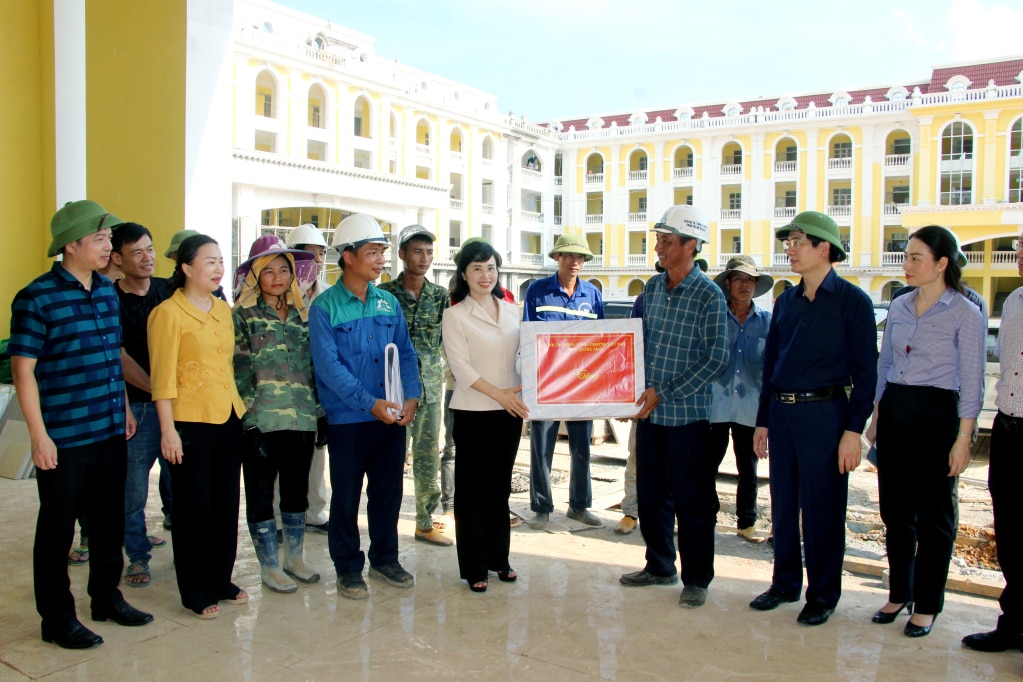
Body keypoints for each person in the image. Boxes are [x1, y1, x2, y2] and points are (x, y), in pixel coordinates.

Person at [9, 200, 152, 649]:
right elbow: (23, 371)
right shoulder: (37, 297)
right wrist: (38, 436)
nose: (109, 246)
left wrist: (125, 408)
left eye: (109, 239)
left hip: (110, 427)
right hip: (64, 437)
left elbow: (113, 355)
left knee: (108, 520)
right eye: (100, 239)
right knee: (58, 529)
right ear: (71, 246)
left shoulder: (106, 293)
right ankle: (56, 618)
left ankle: (106, 597)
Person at [750, 211, 877, 626]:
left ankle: (822, 594)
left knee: (822, 508)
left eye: (798, 241)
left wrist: (853, 430)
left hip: (826, 415)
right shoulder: (785, 301)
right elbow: (772, 366)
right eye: (787, 242)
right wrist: (763, 420)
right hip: (784, 416)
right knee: (784, 503)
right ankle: (785, 582)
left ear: (825, 248)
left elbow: (866, 372)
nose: (790, 249)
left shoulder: (853, 302)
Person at [864, 226, 985, 637]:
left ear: (941, 264)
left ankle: (928, 603)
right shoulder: (898, 305)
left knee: (935, 517)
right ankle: (900, 592)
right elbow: (884, 365)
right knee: (894, 512)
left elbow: (972, 380)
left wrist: (963, 439)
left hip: (938, 415)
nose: (908, 264)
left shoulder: (965, 312)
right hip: (897, 409)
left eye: (917, 257)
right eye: (907, 255)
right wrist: (877, 415)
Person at [619, 206, 729, 610]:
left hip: (689, 420)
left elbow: (717, 359)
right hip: (650, 417)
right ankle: (660, 565)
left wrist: (663, 391)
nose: (659, 247)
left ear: (691, 245)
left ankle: (697, 578)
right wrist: (624, 392)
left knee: (693, 502)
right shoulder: (650, 289)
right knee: (651, 497)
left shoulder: (709, 295)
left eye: (667, 240)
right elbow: (636, 347)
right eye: (658, 239)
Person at [309, 214, 422, 599]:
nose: (380, 261)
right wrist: (368, 402)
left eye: (382, 253)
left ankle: (385, 559)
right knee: (346, 496)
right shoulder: (325, 308)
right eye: (372, 253)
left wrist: (412, 397)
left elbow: (406, 354)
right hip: (349, 419)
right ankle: (347, 567)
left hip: (390, 417)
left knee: (388, 492)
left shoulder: (388, 302)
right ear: (348, 257)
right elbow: (328, 368)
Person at [148, 234, 247, 619]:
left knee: (225, 503)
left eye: (221, 260)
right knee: (193, 509)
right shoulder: (167, 314)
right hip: (189, 421)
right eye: (209, 261)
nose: (218, 267)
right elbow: (162, 378)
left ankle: (221, 579)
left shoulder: (223, 309)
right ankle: (196, 589)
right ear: (186, 268)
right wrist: (167, 430)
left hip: (227, 416)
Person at [234, 235, 321, 594]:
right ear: (255, 276)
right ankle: (269, 566)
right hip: (262, 421)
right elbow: (238, 370)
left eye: (283, 269)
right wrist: (248, 419)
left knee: (296, 492)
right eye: (267, 271)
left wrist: (321, 413)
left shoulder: (304, 315)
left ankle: (294, 558)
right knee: (259, 492)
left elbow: (314, 368)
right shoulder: (242, 317)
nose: (277, 277)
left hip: (301, 420)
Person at [442, 239, 528, 592]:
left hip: (510, 413)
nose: (485, 274)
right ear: (464, 273)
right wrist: (502, 396)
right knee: (472, 491)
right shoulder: (455, 314)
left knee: (499, 489)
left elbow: (524, 357)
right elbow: (461, 369)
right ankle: (475, 567)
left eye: (490, 267)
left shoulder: (513, 310)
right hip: (473, 411)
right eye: (476, 267)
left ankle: (499, 559)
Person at [963, 231, 1023, 653]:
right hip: (1008, 429)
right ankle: (1014, 624)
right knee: (1011, 532)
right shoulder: (1015, 302)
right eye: (1021, 251)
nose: (1020, 258)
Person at [523, 234, 605, 530]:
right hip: (547, 382)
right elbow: (528, 336)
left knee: (581, 447)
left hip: (582, 385)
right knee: (542, 446)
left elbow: (602, 342)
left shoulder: (593, 294)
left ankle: (579, 506)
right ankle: (542, 507)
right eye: (568, 256)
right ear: (557, 257)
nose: (574, 262)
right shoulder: (537, 291)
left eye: (580, 257)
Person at [380, 225, 452, 546]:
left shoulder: (440, 296)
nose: (424, 258)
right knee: (390, 461)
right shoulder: (384, 295)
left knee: (427, 459)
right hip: (394, 393)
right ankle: (384, 527)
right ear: (402, 255)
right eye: (417, 251)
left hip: (431, 391)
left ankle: (424, 522)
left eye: (428, 252)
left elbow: (449, 341)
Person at [111, 222, 174, 587]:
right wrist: (157, 390)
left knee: (181, 484)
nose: (147, 257)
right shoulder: (110, 299)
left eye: (149, 249)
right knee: (133, 490)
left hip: (177, 407)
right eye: (137, 252)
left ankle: (189, 554)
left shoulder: (168, 290)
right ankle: (137, 556)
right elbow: (117, 357)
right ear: (117, 259)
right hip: (138, 408)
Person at [708, 256, 773, 543]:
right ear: (729, 284)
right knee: (707, 464)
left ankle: (747, 522)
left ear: (756, 286)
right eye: (738, 280)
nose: (744, 285)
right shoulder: (715, 318)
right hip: (715, 406)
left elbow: (773, 368)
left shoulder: (768, 323)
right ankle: (706, 516)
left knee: (749, 468)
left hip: (751, 409)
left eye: (749, 280)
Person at [285, 223, 332, 535]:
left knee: (317, 459)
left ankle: (314, 514)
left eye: (320, 254)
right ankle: (280, 518)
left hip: (320, 393)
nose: (315, 261)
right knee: (283, 460)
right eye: (307, 254)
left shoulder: (329, 298)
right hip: (286, 393)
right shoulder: (281, 297)